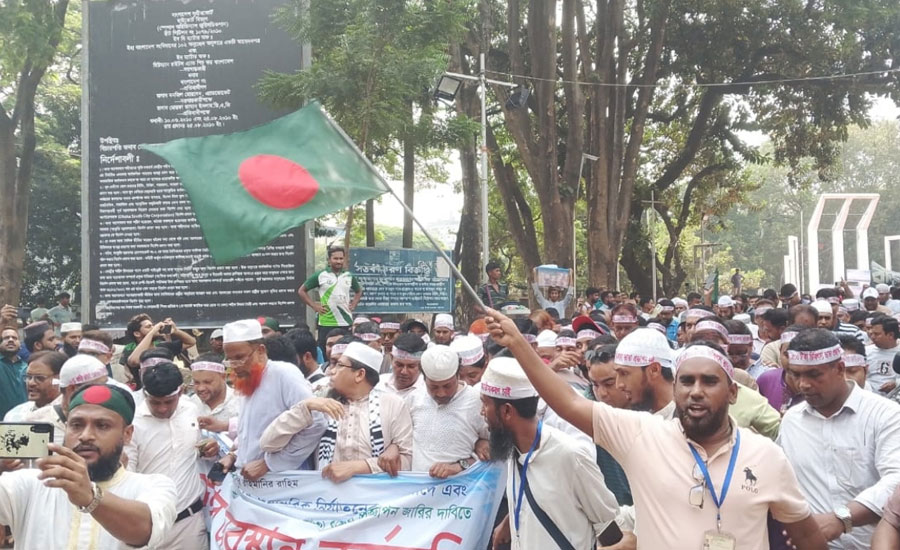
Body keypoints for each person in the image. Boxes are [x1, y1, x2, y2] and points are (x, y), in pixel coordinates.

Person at [483, 307, 827, 550]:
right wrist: (518, 343)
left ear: (733, 392)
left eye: (709, 381)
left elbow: (807, 536)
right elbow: (569, 403)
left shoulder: (767, 456)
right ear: (674, 388)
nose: (696, 391)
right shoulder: (641, 435)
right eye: (687, 381)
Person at [0, 383, 177, 548]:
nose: (85, 436)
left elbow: (144, 530)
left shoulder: (153, 486)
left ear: (127, 434)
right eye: (76, 425)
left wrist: (91, 498)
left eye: (102, 426)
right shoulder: (30, 483)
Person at [481, 356, 622, 550]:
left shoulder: (571, 456)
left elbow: (609, 529)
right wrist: (509, 521)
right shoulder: (513, 449)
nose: (482, 412)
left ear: (506, 411)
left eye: (485, 404)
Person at [779, 328, 900, 549]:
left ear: (840, 369)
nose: (803, 384)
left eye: (814, 374)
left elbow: (896, 480)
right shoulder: (791, 421)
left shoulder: (886, 415)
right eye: (796, 374)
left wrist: (841, 519)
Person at [260, 342, 412, 482]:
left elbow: (406, 461)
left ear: (359, 374)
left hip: (375, 497)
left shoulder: (392, 405)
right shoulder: (320, 401)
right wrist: (305, 407)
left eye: (339, 365)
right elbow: (268, 443)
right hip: (326, 497)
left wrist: (359, 467)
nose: (331, 371)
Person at [216, 319, 326, 480]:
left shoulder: (284, 373)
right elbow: (254, 434)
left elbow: (317, 423)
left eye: (240, 358)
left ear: (260, 350)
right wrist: (235, 455)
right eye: (230, 360)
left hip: (281, 480)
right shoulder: (246, 380)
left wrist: (269, 464)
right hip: (249, 479)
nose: (235, 366)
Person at [125, 362, 216, 548]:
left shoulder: (191, 410)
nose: (162, 409)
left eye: (168, 401)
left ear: (180, 392)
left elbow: (195, 449)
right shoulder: (132, 424)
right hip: (148, 528)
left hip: (189, 525)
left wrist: (208, 449)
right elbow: (126, 477)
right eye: (155, 402)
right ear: (145, 395)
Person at [407, 346, 488, 477]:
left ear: (458, 375)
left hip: (463, 486)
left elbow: (495, 452)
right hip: (417, 486)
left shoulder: (477, 401)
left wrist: (459, 466)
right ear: (424, 379)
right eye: (433, 387)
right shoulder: (414, 399)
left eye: (447, 386)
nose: (441, 393)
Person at [297, 246, 363, 353]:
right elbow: (301, 291)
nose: (338, 261)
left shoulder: (349, 276)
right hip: (326, 322)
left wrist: (354, 304)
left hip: (345, 321)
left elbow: (358, 291)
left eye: (341, 258)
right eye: (335, 258)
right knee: (325, 351)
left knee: (345, 351)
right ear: (329, 260)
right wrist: (314, 306)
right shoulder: (320, 275)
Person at [4, 350, 64, 422]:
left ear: (58, 379)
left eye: (39, 378)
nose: (31, 383)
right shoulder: (14, 415)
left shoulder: (70, 414)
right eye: (29, 377)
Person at [191, 355, 242, 427]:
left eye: (207, 382)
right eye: (196, 382)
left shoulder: (241, 403)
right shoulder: (191, 404)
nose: (200, 388)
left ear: (223, 377)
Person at [379, 333, 426, 397]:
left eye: (411, 367)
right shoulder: (379, 384)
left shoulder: (427, 393)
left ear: (421, 364)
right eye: (399, 365)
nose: (404, 372)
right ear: (391, 358)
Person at [865, 316, 900, 394]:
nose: (872, 337)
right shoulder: (866, 352)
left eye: (876, 334)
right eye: (871, 333)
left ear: (891, 335)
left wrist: (896, 384)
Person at [0, 327, 27, 419]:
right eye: (6, 338)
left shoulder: (26, 367)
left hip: (24, 420)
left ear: (20, 344)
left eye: (14, 338)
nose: (11, 340)